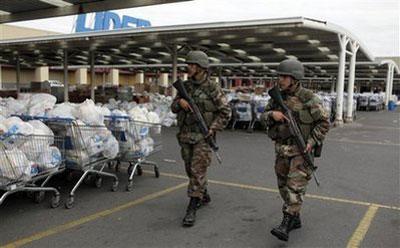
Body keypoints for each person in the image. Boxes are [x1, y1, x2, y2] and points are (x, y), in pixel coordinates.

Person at [261, 59, 330, 241]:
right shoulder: (277, 98)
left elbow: (324, 123)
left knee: (295, 188)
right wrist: (271, 115)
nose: (280, 80)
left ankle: (286, 222)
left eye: (284, 77)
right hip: (282, 150)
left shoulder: (309, 98)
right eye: (280, 76)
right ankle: (295, 217)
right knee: (283, 186)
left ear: (295, 78)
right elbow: (262, 117)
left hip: (301, 152)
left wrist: (312, 141)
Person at [170, 50, 231, 227]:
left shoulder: (213, 88)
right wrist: (179, 103)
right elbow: (173, 108)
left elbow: (226, 112)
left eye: (192, 65)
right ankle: (202, 193)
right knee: (190, 169)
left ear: (201, 67)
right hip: (185, 135)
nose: (188, 67)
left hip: (203, 137)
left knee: (197, 170)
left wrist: (212, 129)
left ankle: (192, 206)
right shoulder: (185, 87)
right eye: (188, 64)